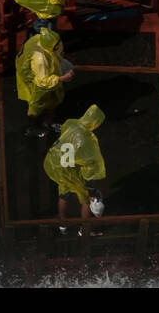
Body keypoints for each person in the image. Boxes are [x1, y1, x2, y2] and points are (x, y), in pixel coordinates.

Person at [44, 106, 106, 236]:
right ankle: (84, 229)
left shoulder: (72, 123)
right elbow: (90, 167)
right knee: (85, 196)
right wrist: (91, 190)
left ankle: (62, 222)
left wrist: (50, 126)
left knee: (64, 189)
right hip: (70, 170)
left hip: (53, 163)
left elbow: (60, 127)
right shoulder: (86, 141)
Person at [15, 26, 73, 137]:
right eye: (56, 46)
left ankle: (49, 122)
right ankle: (32, 128)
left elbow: (57, 53)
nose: (58, 47)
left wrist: (62, 58)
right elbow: (42, 81)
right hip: (36, 80)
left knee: (53, 99)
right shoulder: (40, 59)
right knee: (37, 104)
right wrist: (62, 78)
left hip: (45, 73)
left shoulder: (43, 39)